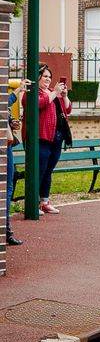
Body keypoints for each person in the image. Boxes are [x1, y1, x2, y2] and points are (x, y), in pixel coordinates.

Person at [21, 63, 72, 215]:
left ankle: (45, 201)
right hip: (40, 137)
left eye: (50, 77)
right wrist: (54, 92)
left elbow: (68, 108)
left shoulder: (52, 92)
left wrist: (64, 96)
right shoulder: (32, 92)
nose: (49, 79)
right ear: (38, 77)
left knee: (48, 170)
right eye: (45, 76)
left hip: (56, 138)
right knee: (39, 169)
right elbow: (40, 103)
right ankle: (32, 202)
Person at [6, 79, 28, 244]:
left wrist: (10, 123)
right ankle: (5, 230)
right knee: (7, 189)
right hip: (5, 148)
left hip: (8, 148)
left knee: (8, 187)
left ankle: (6, 229)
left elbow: (7, 101)